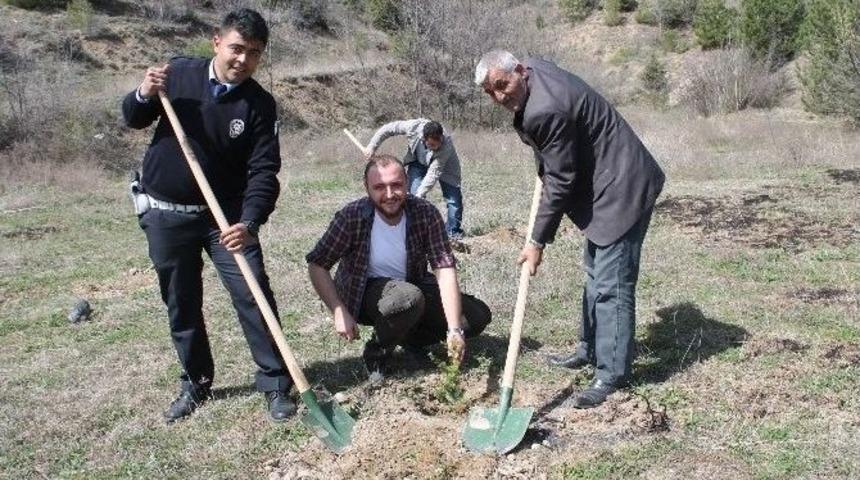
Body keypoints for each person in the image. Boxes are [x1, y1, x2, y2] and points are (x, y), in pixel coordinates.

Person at [122, 9, 296, 422]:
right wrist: (144, 93)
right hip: (166, 215)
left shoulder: (259, 105)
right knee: (181, 302)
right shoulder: (179, 74)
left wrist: (249, 222)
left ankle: (275, 383)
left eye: (254, 53)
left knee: (254, 294)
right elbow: (134, 117)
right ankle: (195, 382)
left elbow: (264, 172)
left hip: (227, 221)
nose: (242, 60)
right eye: (237, 48)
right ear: (216, 41)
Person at [474, 50, 665, 408]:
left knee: (612, 285)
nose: (500, 96)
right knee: (595, 274)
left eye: (503, 85)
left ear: (519, 71)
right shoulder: (534, 73)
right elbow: (551, 156)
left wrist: (536, 241)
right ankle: (589, 349)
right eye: (491, 92)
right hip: (605, 183)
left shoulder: (546, 107)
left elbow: (560, 182)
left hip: (622, 187)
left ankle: (612, 374)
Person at [306, 155, 491, 378]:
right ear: (367, 188)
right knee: (407, 298)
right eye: (379, 187)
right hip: (364, 293)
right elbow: (318, 263)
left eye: (396, 185)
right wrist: (338, 310)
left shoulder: (425, 213)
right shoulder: (352, 216)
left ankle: (409, 339)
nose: (390, 194)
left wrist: (454, 329)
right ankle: (376, 353)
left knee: (476, 316)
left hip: (411, 286)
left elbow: (444, 269)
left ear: (406, 181)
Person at [364, 119, 465, 241]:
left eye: (438, 144)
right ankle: (418, 231)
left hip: (446, 167)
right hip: (418, 161)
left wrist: (420, 194)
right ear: (424, 138)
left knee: (453, 199)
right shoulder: (412, 127)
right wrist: (372, 146)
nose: (435, 148)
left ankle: (452, 233)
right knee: (413, 196)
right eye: (432, 145)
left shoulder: (446, 144)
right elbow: (387, 129)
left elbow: (434, 172)